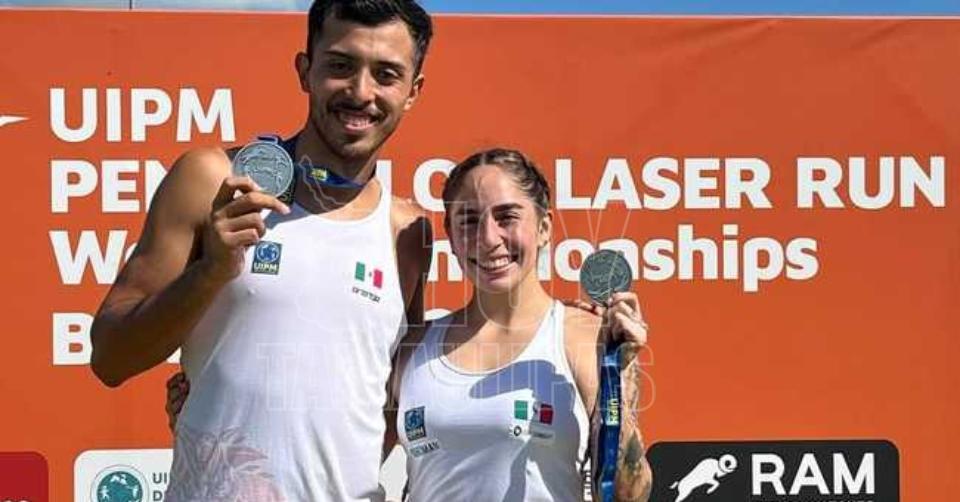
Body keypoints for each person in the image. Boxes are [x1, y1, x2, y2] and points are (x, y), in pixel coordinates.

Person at [168, 148, 655, 501]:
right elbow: (343, 447)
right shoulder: (417, 345)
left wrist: (623, 379)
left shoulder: (582, 335)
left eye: (508, 217)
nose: (489, 239)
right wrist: (218, 415)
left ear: (544, 227)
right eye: (468, 221)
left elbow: (629, 493)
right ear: (450, 237)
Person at [91, 1, 434, 500]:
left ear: (412, 92)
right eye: (341, 65)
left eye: (386, 74)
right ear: (305, 70)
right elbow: (110, 358)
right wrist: (211, 271)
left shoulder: (409, 232)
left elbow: (394, 404)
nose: (361, 92)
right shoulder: (213, 178)